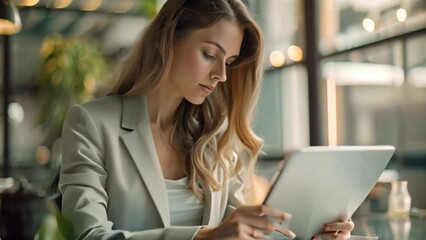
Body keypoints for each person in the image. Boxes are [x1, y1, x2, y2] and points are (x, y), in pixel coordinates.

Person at [59, 0, 354, 239]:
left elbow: (245, 235)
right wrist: (202, 237)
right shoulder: (91, 123)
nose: (221, 75)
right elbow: (87, 234)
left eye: (228, 62)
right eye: (210, 55)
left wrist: (312, 232)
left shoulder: (215, 135)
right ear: (169, 39)